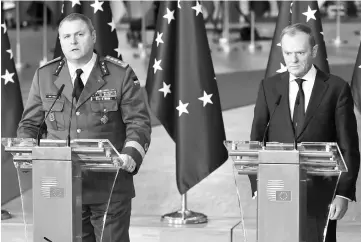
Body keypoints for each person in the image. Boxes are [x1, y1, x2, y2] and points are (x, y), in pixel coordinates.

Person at [17, 13, 151, 242]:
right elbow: (30, 124)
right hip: (60, 185)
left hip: (109, 184)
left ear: (93, 36)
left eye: (80, 34)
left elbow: (138, 122)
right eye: (66, 36)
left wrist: (130, 155)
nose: (73, 41)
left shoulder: (120, 75)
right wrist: (25, 148)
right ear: (60, 41)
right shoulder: (45, 76)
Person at [249, 23, 360, 242]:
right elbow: (256, 140)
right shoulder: (269, 87)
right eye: (288, 53)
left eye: (300, 52)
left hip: (322, 192)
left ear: (314, 51)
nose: (293, 59)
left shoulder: (336, 89)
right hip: (277, 189)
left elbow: (349, 146)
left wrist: (343, 192)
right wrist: (257, 185)